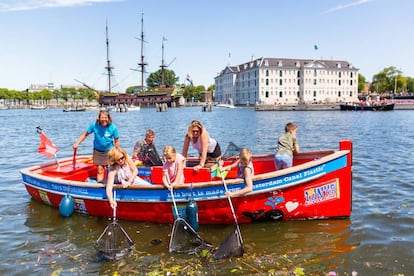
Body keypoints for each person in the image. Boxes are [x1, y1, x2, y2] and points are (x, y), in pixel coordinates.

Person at [73, 110, 119, 183]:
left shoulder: (113, 127)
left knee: (111, 169)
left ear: (108, 118)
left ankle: (111, 184)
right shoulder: (94, 125)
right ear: (99, 118)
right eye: (102, 117)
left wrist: (117, 152)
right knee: (100, 169)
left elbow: (116, 140)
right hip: (98, 151)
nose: (103, 119)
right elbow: (85, 134)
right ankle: (100, 184)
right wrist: (77, 143)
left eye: (105, 117)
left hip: (110, 151)